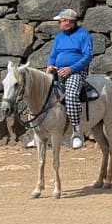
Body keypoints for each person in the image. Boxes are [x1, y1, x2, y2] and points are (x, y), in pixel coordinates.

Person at [46, 8, 93, 149]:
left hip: (76, 71)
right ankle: (39, 131)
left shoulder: (83, 35)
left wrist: (71, 68)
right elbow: (53, 54)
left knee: (71, 95)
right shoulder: (59, 37)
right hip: (58, 71)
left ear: (68, 22)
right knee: (40, 91)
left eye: (60, 21)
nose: (58, 24)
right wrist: (49, 65)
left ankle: (76, 132)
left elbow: (88, 56)